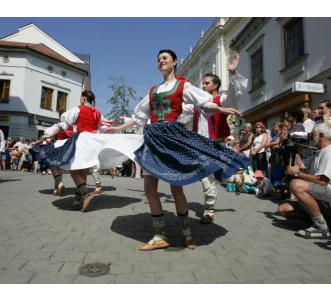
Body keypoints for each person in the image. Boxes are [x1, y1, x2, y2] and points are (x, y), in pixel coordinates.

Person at [104, 49, 249, 251]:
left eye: (165, 58)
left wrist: (222, 109)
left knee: (176, 187)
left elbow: (205, 102)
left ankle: (186, 233)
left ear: (174, 62)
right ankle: (159, 235)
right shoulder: (153, 91)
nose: (161, 61)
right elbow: (138, 117)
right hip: (153, 139)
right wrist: (117, 129)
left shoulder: (183, 86)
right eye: (158, 59)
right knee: (149, 188)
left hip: (172, 138)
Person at [182, 52, 247, 224]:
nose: (203, 86)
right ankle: (235, 178)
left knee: (206, 177)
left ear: (215, 85)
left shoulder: (221, 100)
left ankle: (209, 211)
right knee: (211, 175)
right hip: (199, 145)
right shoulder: (197, 104)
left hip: (215, 144)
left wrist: (233, 74)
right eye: (202, 83)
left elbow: (235, 96)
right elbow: (180, 107)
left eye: (206, 83)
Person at [35, 90, 122, 211]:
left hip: (81, 140)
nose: (80, 99)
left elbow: (63, 125)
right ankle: (77, 200)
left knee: (74, 172)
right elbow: (104, 126)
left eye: (81, 97)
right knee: (83, 173)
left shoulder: (78, 109)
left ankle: (86, 195)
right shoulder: (97, 112)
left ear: (84, 98)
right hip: (91, 142)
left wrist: (49, 136)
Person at [278, 123, 331, 239]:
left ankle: (321, 227)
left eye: (313, 134)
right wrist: (298, 150)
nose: (311, 137)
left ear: (321, 135)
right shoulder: (320, 152)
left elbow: (322, 181)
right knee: (284, 209)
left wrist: (296, 174)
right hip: (324, 195)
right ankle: (328, 221)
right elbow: (300, 166)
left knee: (296, 185)